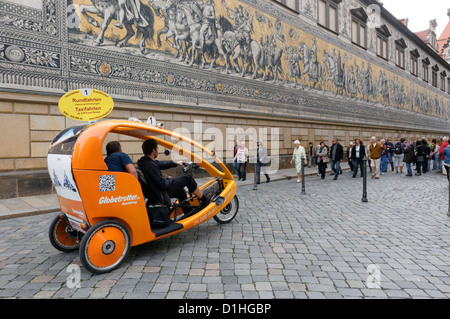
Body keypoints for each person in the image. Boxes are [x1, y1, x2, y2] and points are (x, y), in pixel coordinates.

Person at [137, 139, 209, 213]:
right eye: (157, 149)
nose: (158, 151)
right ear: (153, 150)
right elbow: (162, 184)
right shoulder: (151, 165)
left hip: (155, 192)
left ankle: (188, 212)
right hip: (161, 192)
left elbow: (160, 164)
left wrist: (176, 163)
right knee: (188, 178)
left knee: (181, 191)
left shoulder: (145, 162)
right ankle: (204, 200)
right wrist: (169, 179)